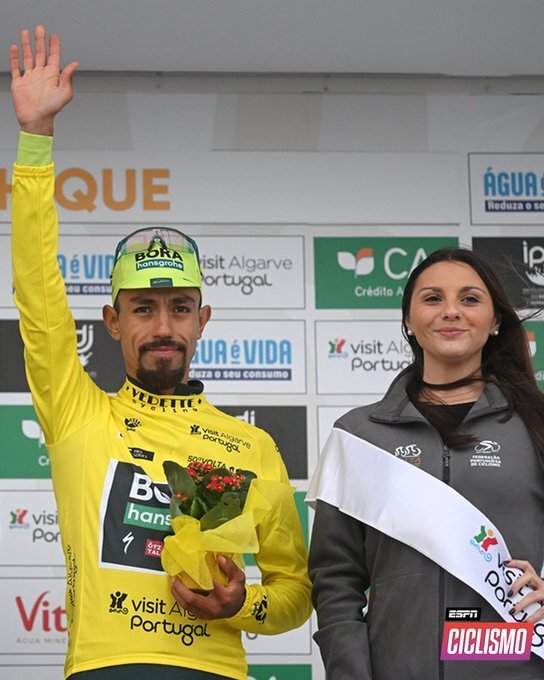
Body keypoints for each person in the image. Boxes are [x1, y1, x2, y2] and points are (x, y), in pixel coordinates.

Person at [10, 26, 311, 680]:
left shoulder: (250, 446)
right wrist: (36, 137)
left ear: (202, 320)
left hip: (216, 669)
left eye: (179, 307)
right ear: (113, 322)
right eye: (143, 308)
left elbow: (295, 592)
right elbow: (36, 288)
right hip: (104, 665)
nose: (163, 326)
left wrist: (242, 604)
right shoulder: (77, 412)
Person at [307, 246, 544, 679]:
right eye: (433, 298)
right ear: (408, 321)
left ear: (495, 321)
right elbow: (335, 580)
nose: (451, 311)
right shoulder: (359, 436)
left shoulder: (536, 425)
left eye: (469, 299)